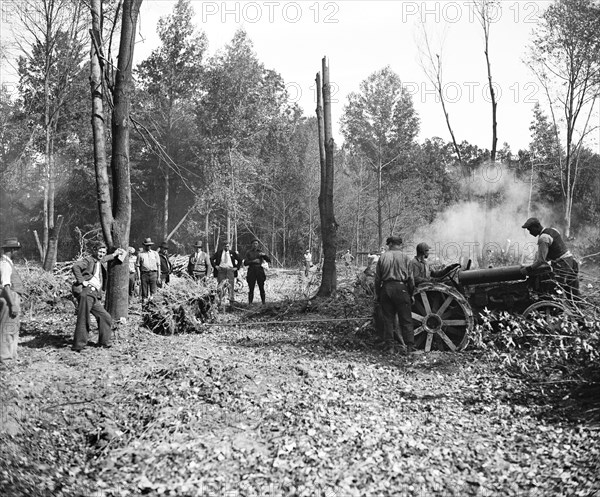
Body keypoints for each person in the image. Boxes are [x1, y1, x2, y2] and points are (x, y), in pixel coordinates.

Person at [71, 243, 125, 352]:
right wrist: (82, 281)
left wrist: (114, 254)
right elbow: (75, 266)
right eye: (100, 252)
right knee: (83, 318)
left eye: (103, 252)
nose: (101, 254)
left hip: (93, 294)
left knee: (105, 317)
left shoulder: (98, 261)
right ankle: (79, 345)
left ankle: (104, 343)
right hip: (87, 292)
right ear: (95, 251)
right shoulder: (89, 260)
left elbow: (104, 259)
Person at [374, 236, 416, 355]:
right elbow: (411, 279)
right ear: (400, 245)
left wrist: (377, 294)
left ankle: (390, 347)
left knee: (388, 320)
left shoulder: (383, 257)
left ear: (391, 244)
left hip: (386, 289)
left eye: (388, 244)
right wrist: (411, 293)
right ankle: (409, 348)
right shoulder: (406, 257)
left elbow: (377, 279)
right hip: (401, 288)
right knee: (406, 319)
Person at [521, 217, 580, 299]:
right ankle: (577, 309)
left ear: (537, 227)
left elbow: (541, 261)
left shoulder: (543, 238)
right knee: (572, 293)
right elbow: (554, 250)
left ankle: (552, 307)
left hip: (562, 265)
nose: (530, 232)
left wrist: (528, 269)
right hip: (570, 261)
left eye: (530, 229)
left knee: (550, 289)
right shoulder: (553, 230)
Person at [0, 238, 25, 362]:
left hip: (12, 296)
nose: (17, 252)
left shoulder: (7, 262)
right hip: (9, 297)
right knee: (7, 327)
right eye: (16, 250)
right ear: (11, 250)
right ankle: (5, 357)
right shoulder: (5, 264)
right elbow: (6, 286)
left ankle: (12, 355)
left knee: (13, 327)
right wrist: (12, 304)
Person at [244, 239, 272, 304]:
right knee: (251, 287)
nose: (255, 245)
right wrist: (253, 261)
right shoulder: (248, 252)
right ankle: (250, 303)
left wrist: (264, 255)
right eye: (254, 243)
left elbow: (269, 260)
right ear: (251, 244)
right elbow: (245, 263)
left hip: (259, 270)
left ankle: (263, 302)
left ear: (258, 244)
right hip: (251, 270)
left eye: (256, 243)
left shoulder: (260, 252)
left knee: (261, 286)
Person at [136, 237, 161, 303]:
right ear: (144, 245)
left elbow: (158, 265)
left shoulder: (155, 253)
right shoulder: (140, 254)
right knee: (144, 293)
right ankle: (144, 308)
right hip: (144, 274)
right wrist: (139, 278)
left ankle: (152, 308)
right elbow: (137, 266)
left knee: (153, 293)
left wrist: (158, 277)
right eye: (147, 245)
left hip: (153, 274)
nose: (148, 246)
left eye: (150, 245)